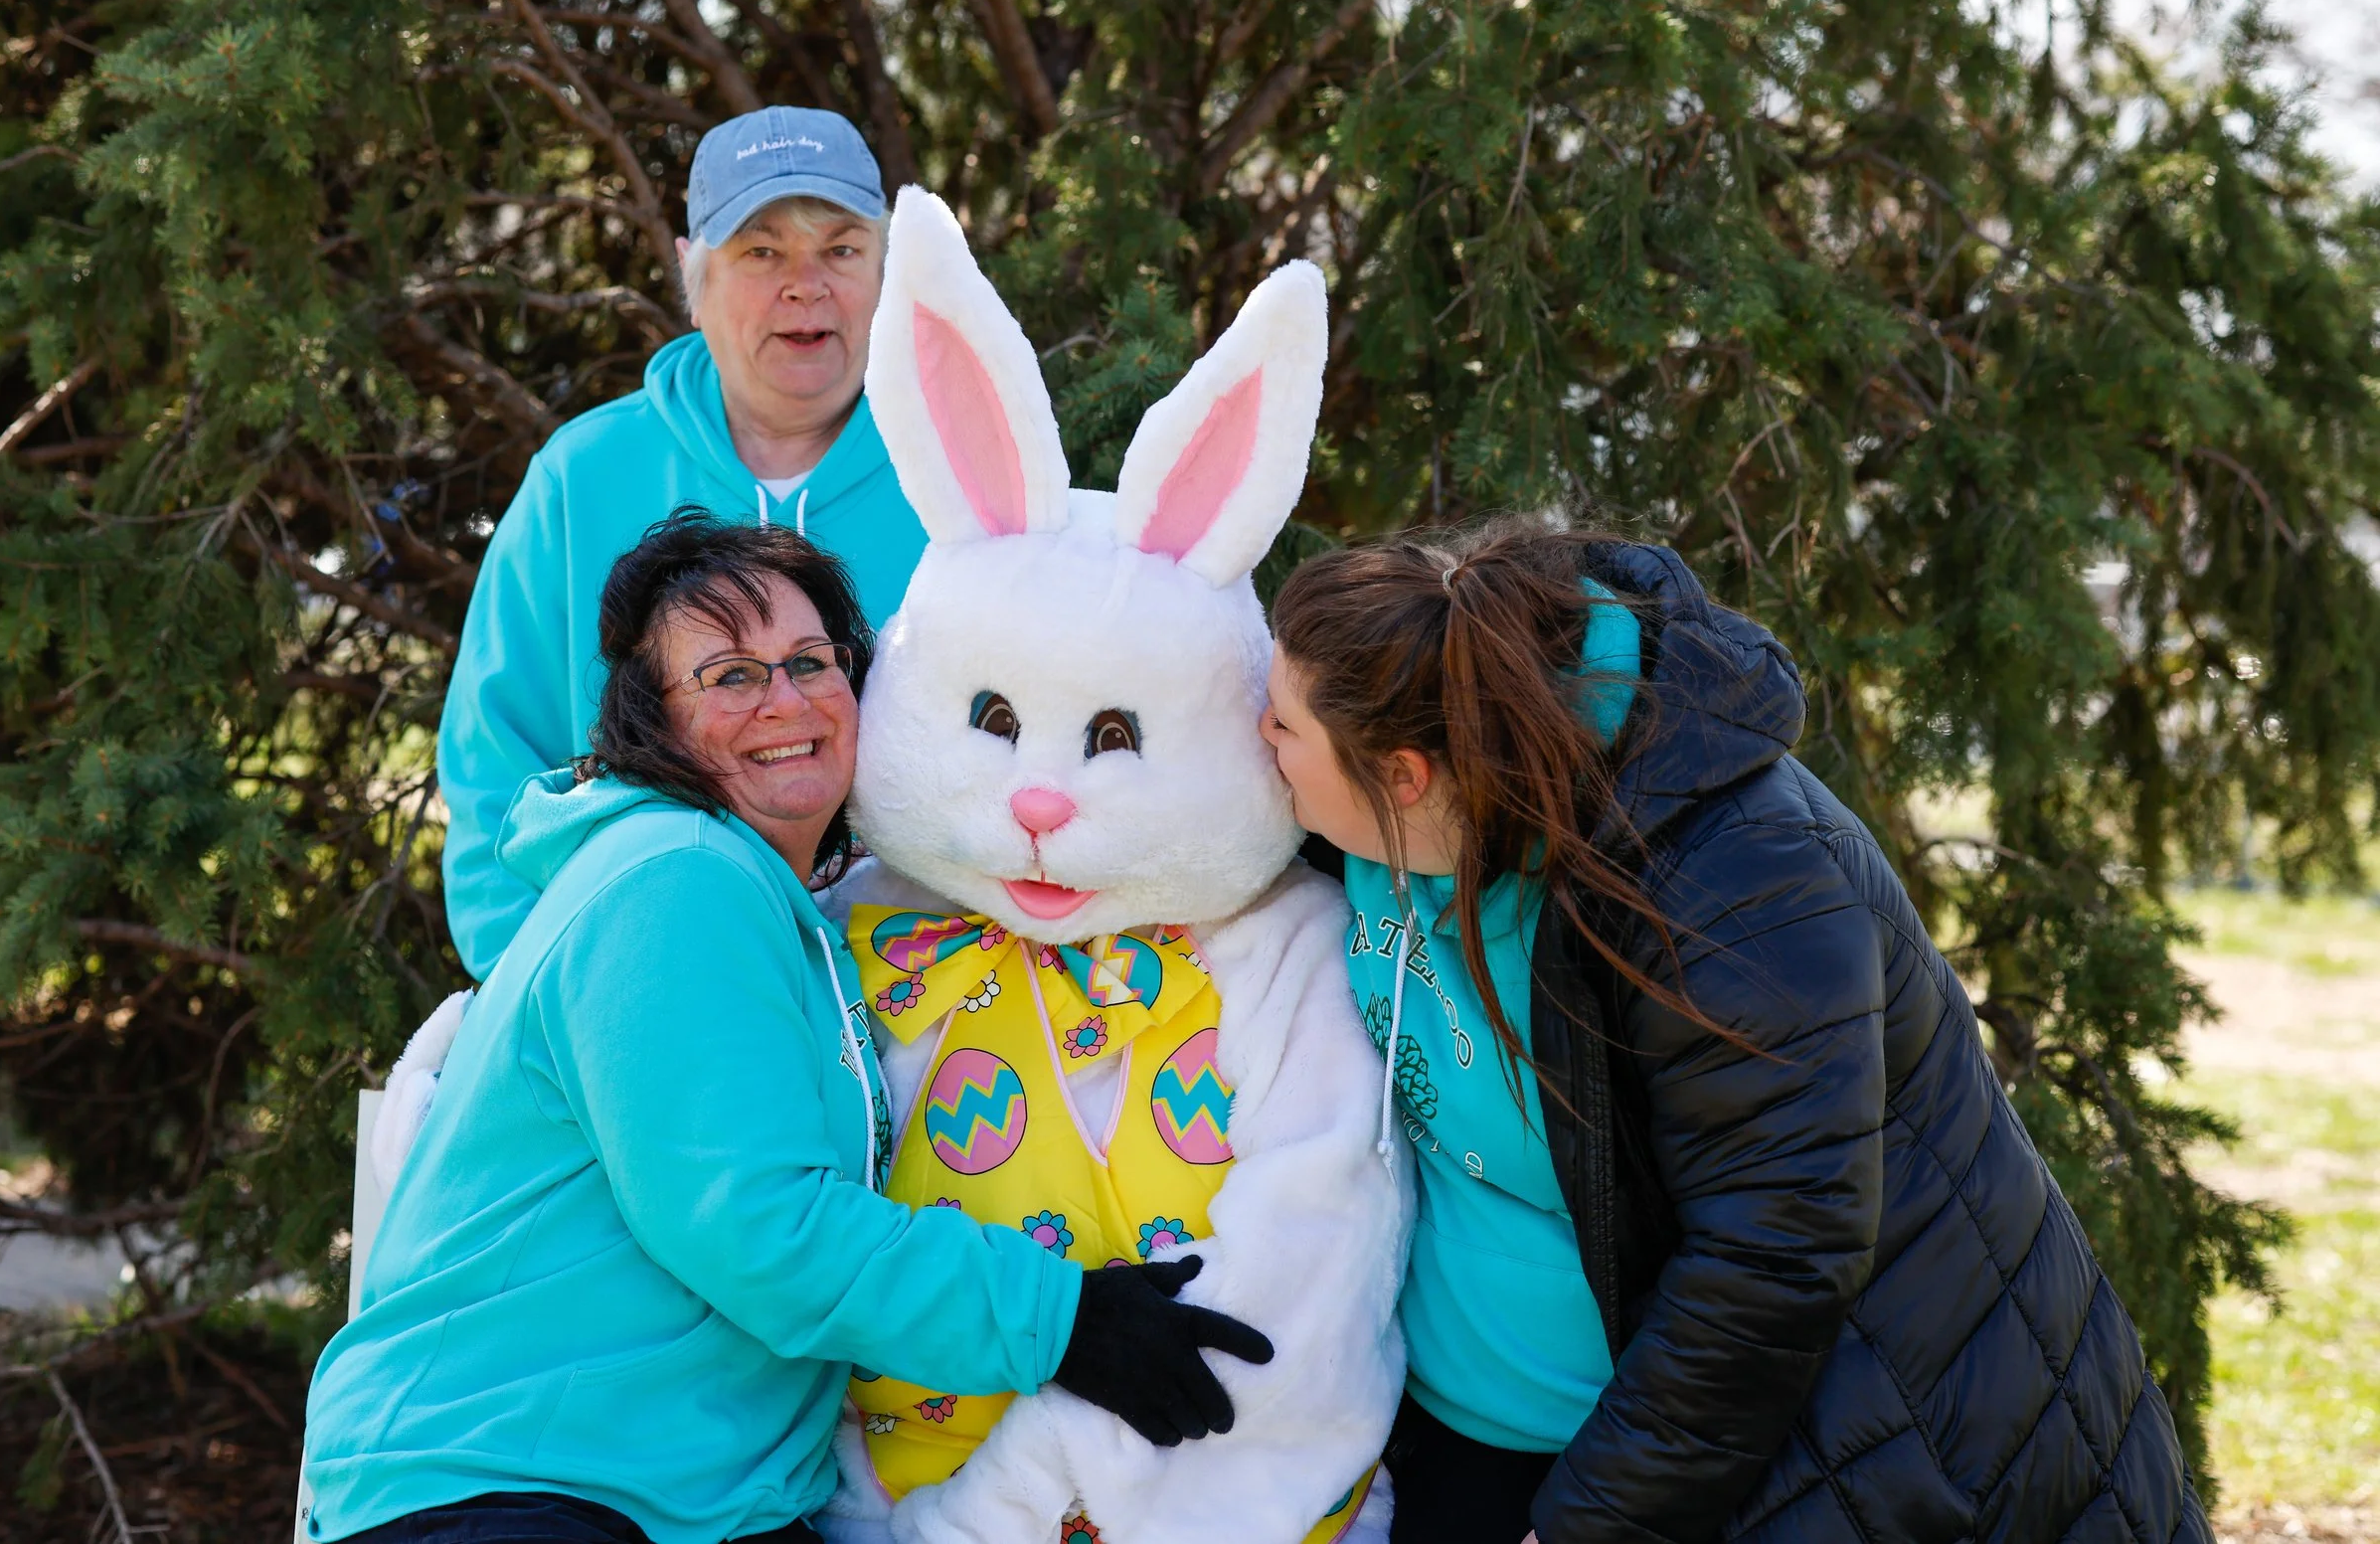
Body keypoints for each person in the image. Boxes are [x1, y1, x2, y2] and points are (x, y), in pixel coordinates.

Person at [302, 512, 1271, 1544]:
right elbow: (758, 1225)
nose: (785, 699)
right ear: (651, 716)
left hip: (670, 1493)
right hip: (507, 1483)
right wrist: (1062, 1317)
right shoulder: (674, 882)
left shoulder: (781, 902)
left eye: (811, 660)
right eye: (728, 674)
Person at [1259, 515, 2210, 1544]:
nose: (1253, 739)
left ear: (1403, 776)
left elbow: (1772, 1251)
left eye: (1280, 726)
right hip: (1459, 1439)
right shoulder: (1373, 821)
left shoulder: (1735, 882)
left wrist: (1593, 1521)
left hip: (1784, 1458)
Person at [441, 105, 931, 984]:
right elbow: (493, 768)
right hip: (645, 987)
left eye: (842, 249)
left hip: (927, 1002)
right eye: (762, 250)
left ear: (887, 273)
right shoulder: (581, 479)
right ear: (692, 277)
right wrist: (540, 990)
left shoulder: (957, 474)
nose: (805, 284)